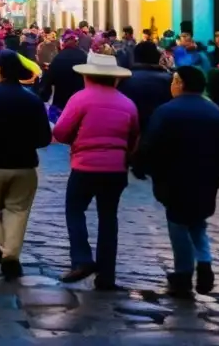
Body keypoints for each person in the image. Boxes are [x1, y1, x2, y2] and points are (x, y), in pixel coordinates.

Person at [137, 67, 219, 296]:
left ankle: (183, 274)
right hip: (205, 178)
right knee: (197, 221)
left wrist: (141, 166)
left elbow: (149, 144)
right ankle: (204, 262)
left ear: (180, 83)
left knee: (178, 224)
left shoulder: (166, 112)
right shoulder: (215, 113)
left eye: (174, 81)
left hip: (174, 178)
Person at [54, 52, 139, 291]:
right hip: (116, 169)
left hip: (85, 166)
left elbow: (61, 132)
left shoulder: (80, 99)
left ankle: (82, 259)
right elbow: (134, 138)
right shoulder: (127, 103)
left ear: (88, 76)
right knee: (108, 218)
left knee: (75, 210)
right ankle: (107, 276)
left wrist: (75, 140)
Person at [0, 51, 53, 280]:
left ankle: (8, 252)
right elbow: (44, 138)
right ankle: (11, 256)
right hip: (25, 166)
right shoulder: (32, 100)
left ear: (0, 70)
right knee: (17, 211)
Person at [118, 40, 173, 134]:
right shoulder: (169, 80)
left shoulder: (124, 80)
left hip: (132, 130)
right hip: (161, 131)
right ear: (156, 57)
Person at [42, 30, 86, 110]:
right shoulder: (83, 56)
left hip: (61, 102)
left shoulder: (58, 58)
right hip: (80, 101)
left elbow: (48, 80)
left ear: (64, 43)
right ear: (76, 42)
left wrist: (44, 96)